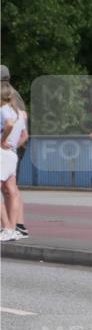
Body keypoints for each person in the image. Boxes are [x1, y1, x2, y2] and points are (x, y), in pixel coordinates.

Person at [0, 83, 24, 242]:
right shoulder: (18, 112)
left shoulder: (3, 110)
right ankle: (14, 229)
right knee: (12, 190)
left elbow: (7, 124)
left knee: (8, 191)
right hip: (12, 153)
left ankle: (7, 227)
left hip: (2, 152)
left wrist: (2, 141)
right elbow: (23, 134)